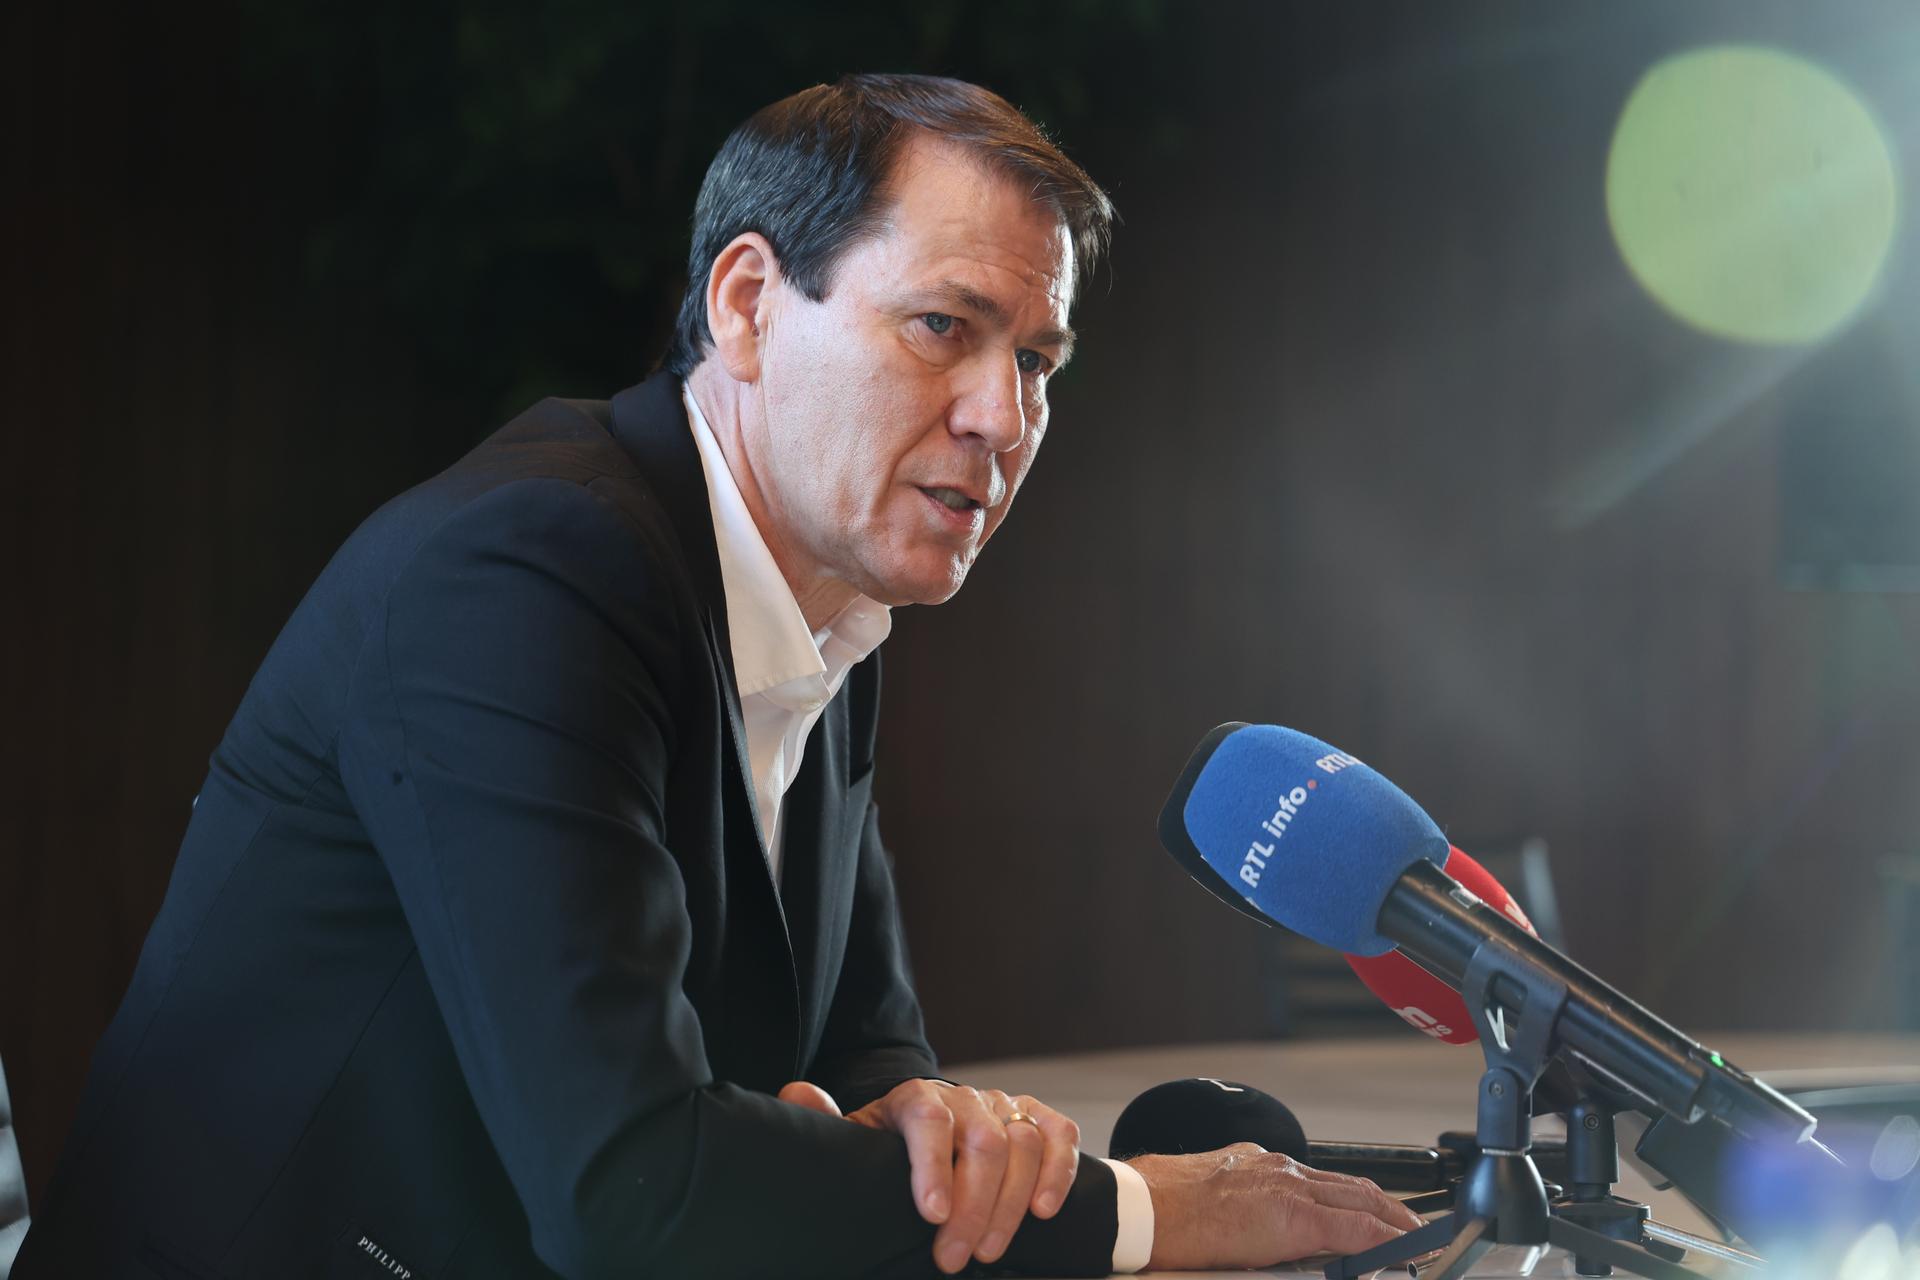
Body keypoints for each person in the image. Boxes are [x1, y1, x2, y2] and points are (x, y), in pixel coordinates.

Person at [15, 74, 1420, 1278]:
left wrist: (925, 1127)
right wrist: (1139, 1213)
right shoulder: (523, 578)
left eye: (1039, 358)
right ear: (748, 304)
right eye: (945, 327)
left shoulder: (830, 607)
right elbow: (627, 1186)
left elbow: (873, 1067)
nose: (1005, 417)